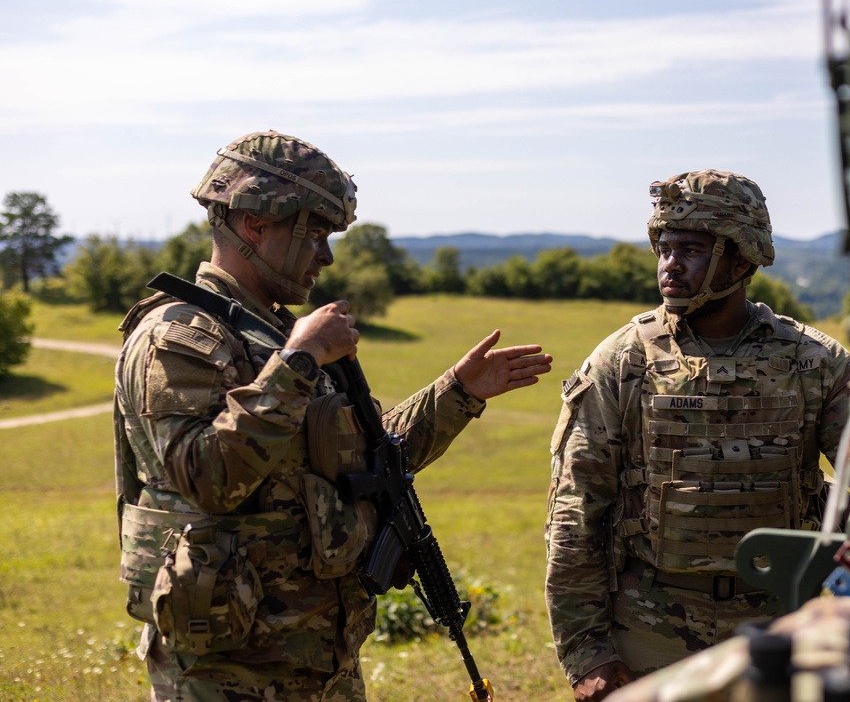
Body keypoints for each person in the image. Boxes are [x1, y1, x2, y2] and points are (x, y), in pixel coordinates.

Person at [113, 129, 552, 701]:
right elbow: (210, 478)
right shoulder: (178, 338)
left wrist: (459, 391)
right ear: (254, 224)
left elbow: (371, 459)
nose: (326, 254)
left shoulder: (273, 334)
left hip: (320, 657)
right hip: (229, 669)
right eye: (313, 231)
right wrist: (300, 360)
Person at [544, 169, 850, 701]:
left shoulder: (815, 363)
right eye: (664, 249)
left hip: (785, 626)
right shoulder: (623, 361)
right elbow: (576, 512)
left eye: (690, 250)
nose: (669, 266)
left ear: (741, 259)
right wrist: (586, 652)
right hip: (651, 636)